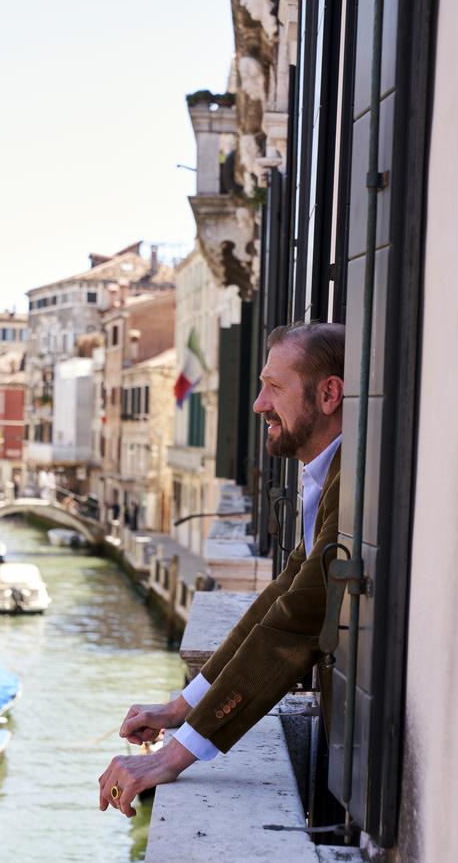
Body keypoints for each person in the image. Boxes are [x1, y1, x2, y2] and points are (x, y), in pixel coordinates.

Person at [98, 321, 345, 818]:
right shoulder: (330, 471)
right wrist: (180, 707)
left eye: (274, 387)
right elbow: (284, 591)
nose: (258, 404)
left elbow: (295, 620)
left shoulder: (353, 481)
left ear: (328, 394)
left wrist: (174, 754)